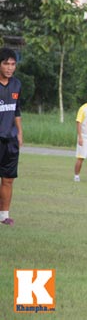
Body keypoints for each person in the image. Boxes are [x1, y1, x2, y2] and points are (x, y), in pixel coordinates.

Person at [0, 47, 23, 226]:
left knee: (8, 179)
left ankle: (4, 216)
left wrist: (19, 133)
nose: (9, 68)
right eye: (6, 64)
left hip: (11, 140)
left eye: (13, 64)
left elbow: (16, 110)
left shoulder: (17, 84)